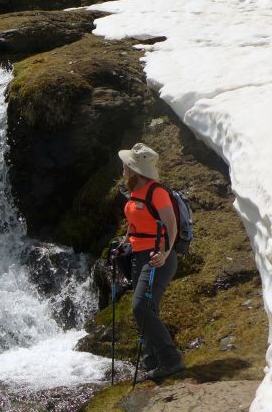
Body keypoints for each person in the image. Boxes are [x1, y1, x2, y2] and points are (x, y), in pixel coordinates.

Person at [119, 142, 185, 380]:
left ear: (135, 169)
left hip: (157, 258)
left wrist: (164, 253)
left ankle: (170, 360)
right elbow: (136, 221)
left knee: (141, 307)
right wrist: (126, 241)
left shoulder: (156, 192)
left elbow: (171, 224)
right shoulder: (135, 192)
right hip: (139, 255)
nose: (123, 167)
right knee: (145, 309)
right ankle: (151, 361)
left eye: (126, 165)